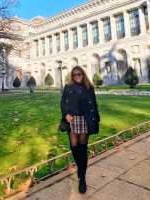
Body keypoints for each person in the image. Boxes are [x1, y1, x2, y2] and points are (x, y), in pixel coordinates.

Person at [60, 66, 100, 194]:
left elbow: (94, 104)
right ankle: (81, 168)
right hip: (72, 119)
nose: (77, 76)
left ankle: (82, 178)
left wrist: (96, 119)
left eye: (79, 74)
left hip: (85, 120)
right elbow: (63, 103)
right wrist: (65, 114)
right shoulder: (68, 87)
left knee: (82, 148)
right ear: (72, 76)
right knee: (73, 146)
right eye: (74, 74)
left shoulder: (89, 87)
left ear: (83, 74)